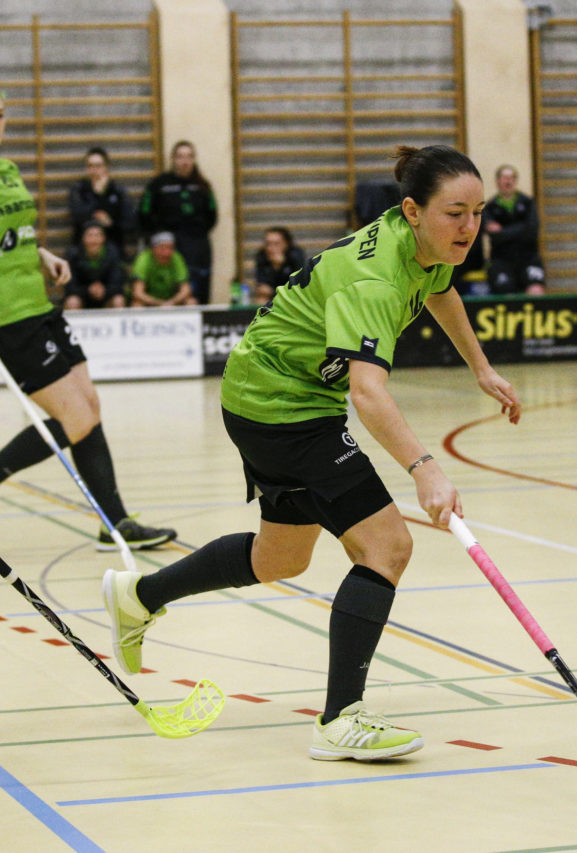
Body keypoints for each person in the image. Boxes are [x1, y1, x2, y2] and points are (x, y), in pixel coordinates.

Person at [102, 144, 522, 762]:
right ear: (412, 211)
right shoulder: (374, 277)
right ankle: (340, 718)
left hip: (272, 396)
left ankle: (139, 596)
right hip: (281, 403)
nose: (469, 227)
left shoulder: (421, 246)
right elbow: (368, 393)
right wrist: (424, 469)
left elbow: (441, 290)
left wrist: (480, 367)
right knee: (387, 545)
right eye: (454, 213)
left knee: (280, 557)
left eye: (478, 212)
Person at [0, 85, 176, 551]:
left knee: (89, 408)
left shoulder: (7, 169)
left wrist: (43, 255)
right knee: (75, 417)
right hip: (6, 313)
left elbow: (10, 232)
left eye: (0, 114)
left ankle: (113, 523)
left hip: (39, 303)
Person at [138, 141, 217, 304]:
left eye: (189, 156)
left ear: (194, 159)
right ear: (173, 159)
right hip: (169, 245)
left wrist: (196, 233)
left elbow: (212, 215)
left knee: (197, 293)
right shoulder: (159, 184)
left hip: (197, 245)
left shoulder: (203, 185)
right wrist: (159, 237)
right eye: (180, 156)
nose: (185, 161)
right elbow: (144, 213)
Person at [482, 164, 545, 296]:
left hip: (529, 258)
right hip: (501, 261)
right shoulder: (489, 207)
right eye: (504, 178)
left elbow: (532, 231)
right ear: (498, 181)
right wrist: (521, 227)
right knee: (506, 296)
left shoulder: (528, 203)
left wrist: (503, 231)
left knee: (536, 291)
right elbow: (495, 236)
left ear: (516, 181)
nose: (508, 181)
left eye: (511, 178)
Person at [67, 146, 137, 258]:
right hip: (83, 251)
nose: (94, 170)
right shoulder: (78, 189)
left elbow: (130, 223)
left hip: (114, 248)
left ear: (106, 167)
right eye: (90, 166)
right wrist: (98, 195)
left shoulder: (117, 190)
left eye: (98, 166)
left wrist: (111, 223)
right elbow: (78, 215)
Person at [63, 220, 126, 310]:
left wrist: (104, 290)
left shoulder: (113, 253)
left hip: (106, 296)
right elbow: (69, 286)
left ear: (103, 238)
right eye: (90, 235)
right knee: (72, 302)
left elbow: (118, 283)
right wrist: (88, 290)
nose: (94, 240)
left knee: (118, 300)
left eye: (97, 235)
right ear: (83, 238)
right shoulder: (72, 255)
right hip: (82, 296)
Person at [130, 231, 196, 307]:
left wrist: (171, 302)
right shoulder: (143, 259)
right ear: (153, 249)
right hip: (149, 301)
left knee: (191, 302)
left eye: (170, 248)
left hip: (172, 300)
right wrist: (160, 303)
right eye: (162, 249)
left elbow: (186, 290)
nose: (166, 253)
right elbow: (138, 293)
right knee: (137, 305)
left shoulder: (176, 257)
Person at [250, 226, 306, 305]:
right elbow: (262, 287)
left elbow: (298, 288)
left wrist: (280, 267)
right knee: (261, 301)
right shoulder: (262, 257)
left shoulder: (295, 256)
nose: (271, 248)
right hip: (274, 297)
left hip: (294, 299)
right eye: (268, 244)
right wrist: (275, 268)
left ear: (286, 244)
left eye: (276, 244)